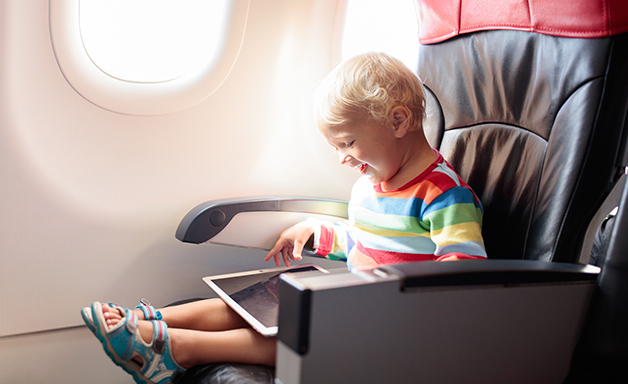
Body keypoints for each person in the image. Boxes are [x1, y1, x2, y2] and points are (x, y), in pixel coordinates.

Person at [82, 52, 486, 384]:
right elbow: (372, 243)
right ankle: (141, 320)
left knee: (298, 335)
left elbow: (461, 276)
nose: (343, 158)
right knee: (260, 299)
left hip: (394, 323)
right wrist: (321, 233)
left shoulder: (446, 196)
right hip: (358, 298)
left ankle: (171, 349)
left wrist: (378, 299)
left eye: (348, 142)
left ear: (398, 121)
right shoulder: (372, 181)